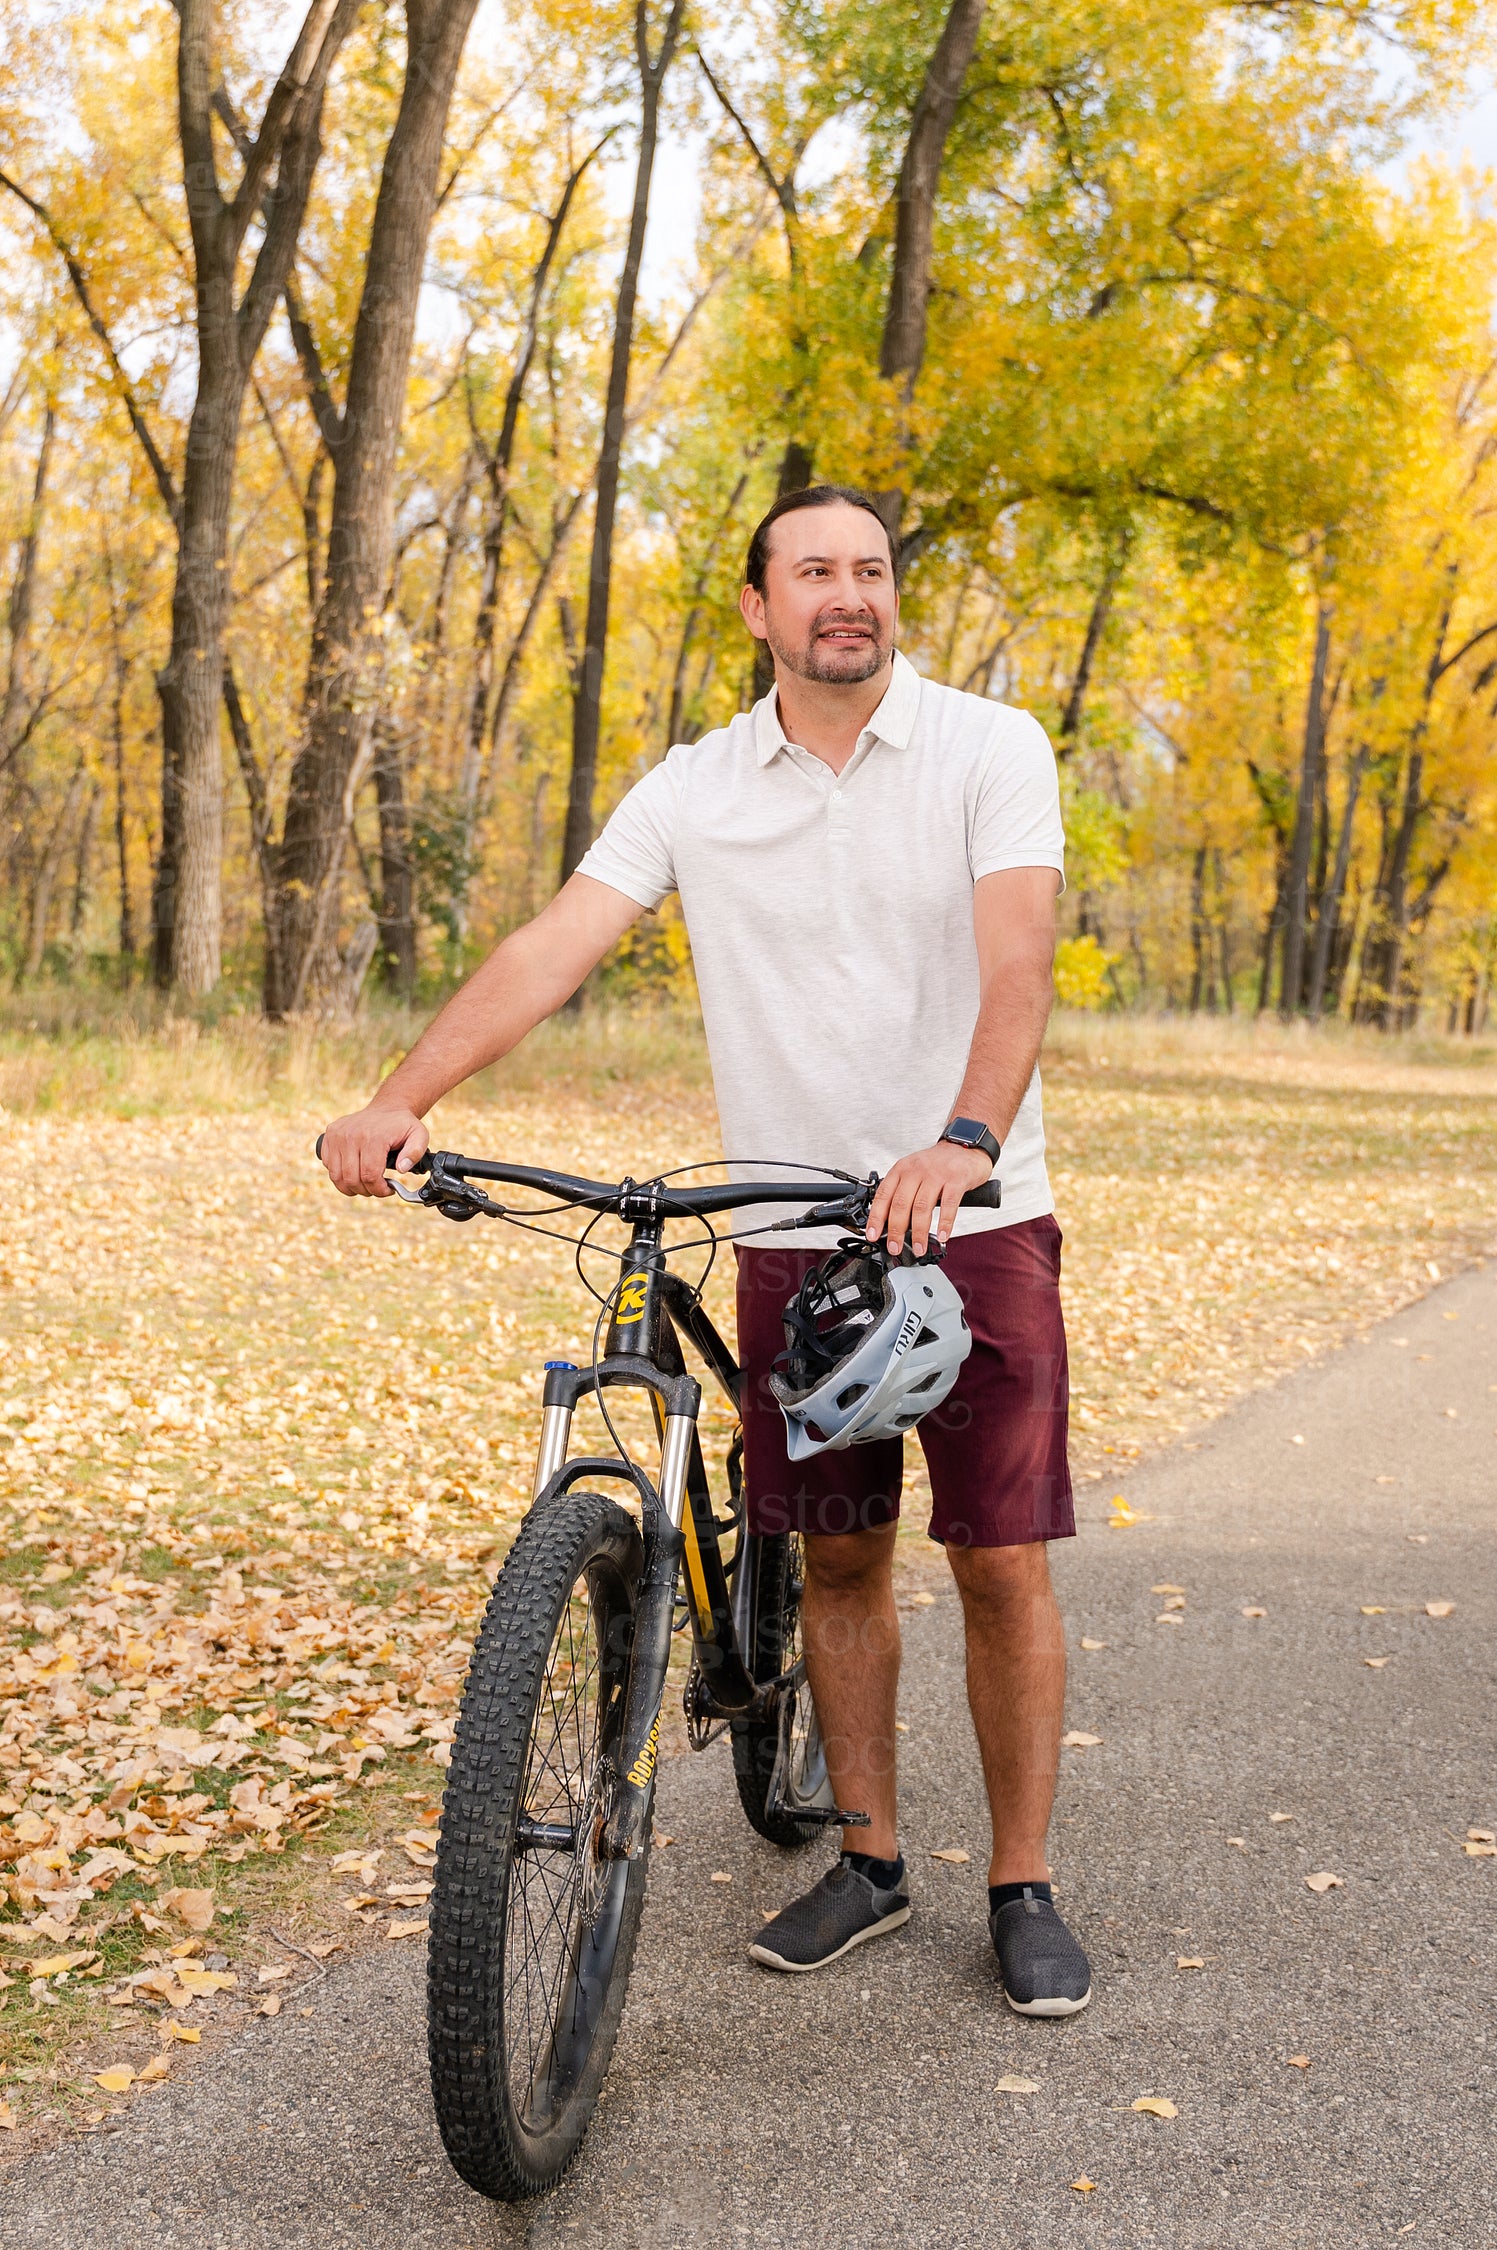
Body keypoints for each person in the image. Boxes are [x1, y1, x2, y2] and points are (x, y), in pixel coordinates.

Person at [320, 483, 1091, 2017]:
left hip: (976, 1220)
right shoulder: (693, 787)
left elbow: (1021, 958)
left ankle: (1021, 1881)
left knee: (999, 1561)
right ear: (759, 609)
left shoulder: (989, 749)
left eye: (870, 568)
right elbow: (554, 945)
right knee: (844, 1554)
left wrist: (965, 1138)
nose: (848, 594)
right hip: (795, 1233)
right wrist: (405, 1093)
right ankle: (868, 1860)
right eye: (815, 571)